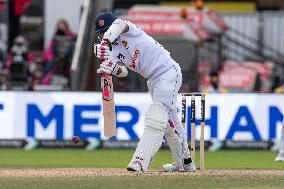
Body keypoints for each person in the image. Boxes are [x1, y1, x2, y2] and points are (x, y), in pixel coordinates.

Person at [94, 12, 196, 172]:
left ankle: (140, 160)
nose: (102, 35)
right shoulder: (111, 51)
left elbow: (120, 23)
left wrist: (105, 40)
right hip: (153, 80)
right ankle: (185, 162)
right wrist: (113, 69)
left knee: (157, 114)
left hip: (168, 72)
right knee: (169, 122)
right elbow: (124, 72)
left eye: (105, 31)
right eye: (100, 33)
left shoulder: (128, 29)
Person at [42, 19, 76, 89]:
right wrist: (51, 57)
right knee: (49, 63)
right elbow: (49, 51)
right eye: (59, 28)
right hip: (55, 60)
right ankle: (45, 80)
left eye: (62, 28)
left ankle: (71, 83)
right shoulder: (55, 38)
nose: (61, 30)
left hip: (68, 59)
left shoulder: (72, 37)